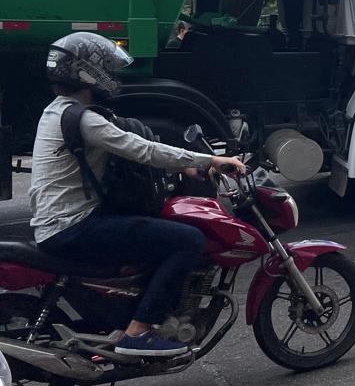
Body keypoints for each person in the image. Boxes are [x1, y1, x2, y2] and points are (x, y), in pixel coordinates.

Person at [30, 32, 246, 358]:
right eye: (104, 67)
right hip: (72, 227)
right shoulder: (85, 119)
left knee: (152, 227)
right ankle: (137, 332)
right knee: (188, 240)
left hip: (61, 221)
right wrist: (211, 160)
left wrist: (182, 168)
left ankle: (135, 309)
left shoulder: (59, 111)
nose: (111, 75)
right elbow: (142, 149)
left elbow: (126, 148)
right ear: (87, 72)